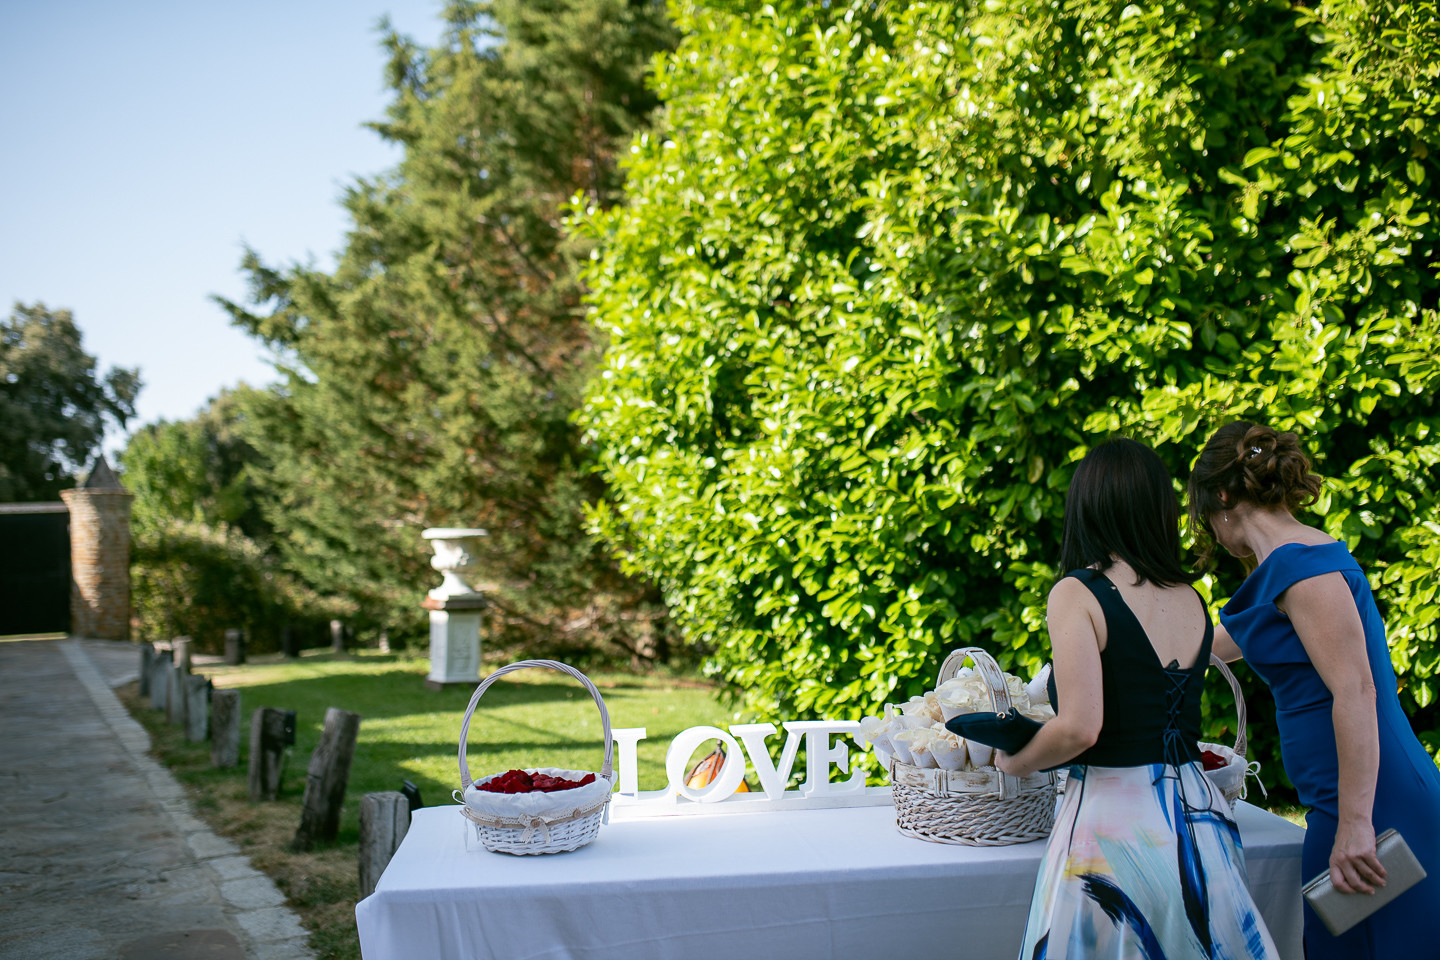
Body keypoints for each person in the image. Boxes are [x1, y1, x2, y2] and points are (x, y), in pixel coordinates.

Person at [998, 438, 1280, 959]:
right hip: (1200, 824)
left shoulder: (1075, 594)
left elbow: (1082, 727)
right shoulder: (1191, 599)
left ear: (1088, 505)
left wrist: (1015, 760)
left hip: (1109, 834)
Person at [1187, 421, 1440, 958]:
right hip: (1343, 801)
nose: (1210, 532)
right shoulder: (1284, 567)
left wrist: (1355, 824)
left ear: (1223, 496)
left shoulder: (1301, 567)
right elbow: (1205, 643)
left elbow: (1357, 692)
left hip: (1374, 806)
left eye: (1204, 516)